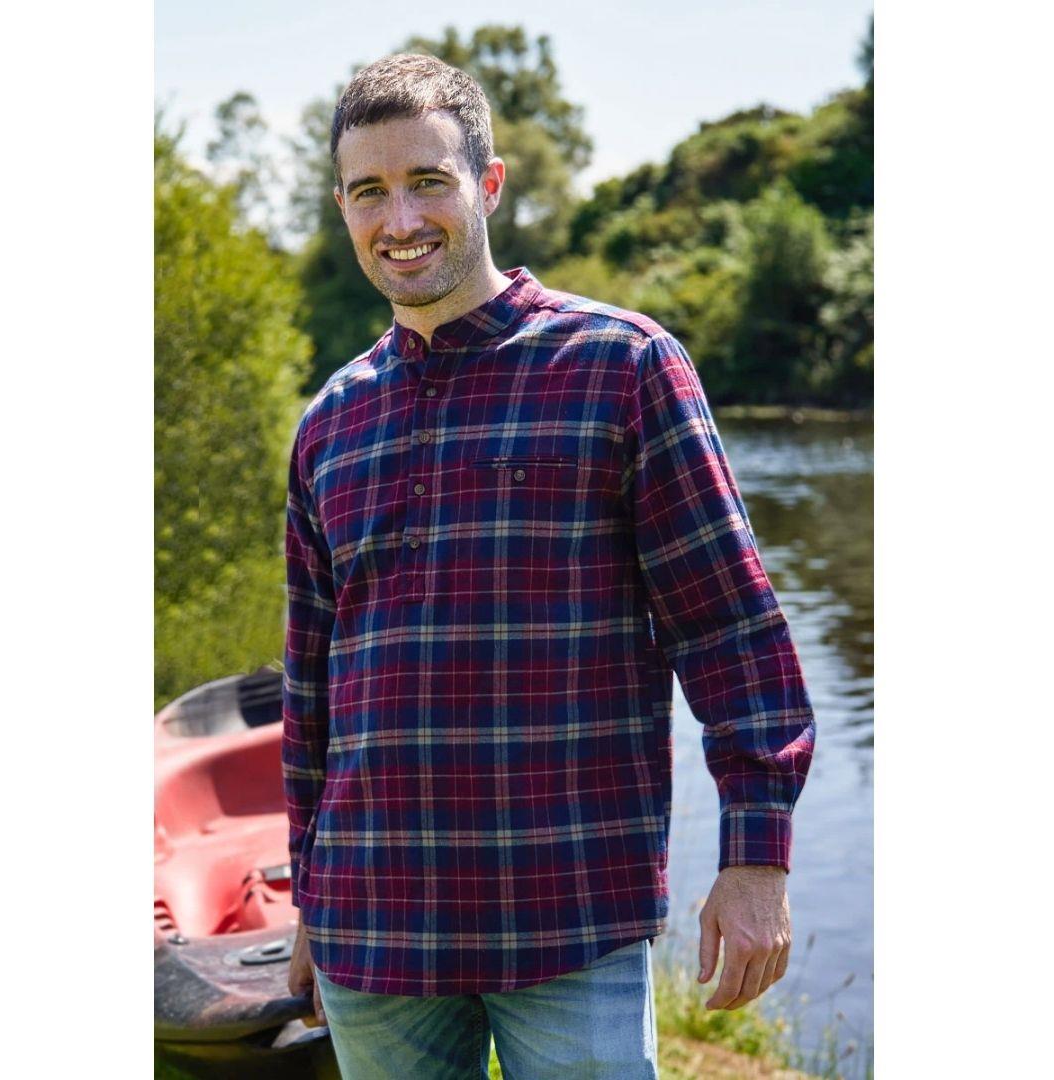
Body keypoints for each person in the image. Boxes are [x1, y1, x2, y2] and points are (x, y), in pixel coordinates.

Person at [282, 52, 815, 1080]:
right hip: (375, 931)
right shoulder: (329, 423)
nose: (399, 218)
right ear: (344, 209)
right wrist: (311, 895)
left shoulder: (623, 366)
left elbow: (731, 631)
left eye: (427, 181)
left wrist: (755, 860)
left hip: (566, 914)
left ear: (486, 184)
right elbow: (310, 691)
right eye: (368, 191)